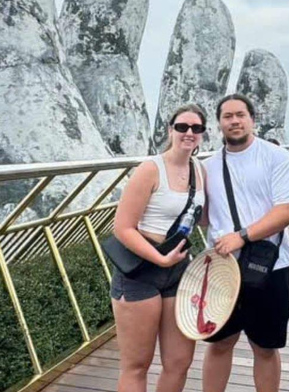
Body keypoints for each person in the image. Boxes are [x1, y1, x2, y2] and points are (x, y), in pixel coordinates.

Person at [202, 93, 289, 392]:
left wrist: (243, 236)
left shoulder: (276, 157)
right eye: (227, 116)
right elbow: (204, 215)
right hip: (223, 268)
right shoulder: (208, 166)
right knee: (219, 343)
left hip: (269, 265)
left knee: (265, 347)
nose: (234, 121)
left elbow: (288, 210)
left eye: (240, 115)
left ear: (252, 119)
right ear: (219, 124)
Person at [110, 104, 208, 392]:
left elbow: (204, 218)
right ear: (170, 130)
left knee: (179, 361)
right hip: (141, 270)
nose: (189, 133)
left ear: (202, 134)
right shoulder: (150, 169)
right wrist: (160, 258)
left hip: (179, 271)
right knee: (137, 365)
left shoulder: (199, 170)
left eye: (196, 128)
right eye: (182, 127)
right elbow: (123, 227)